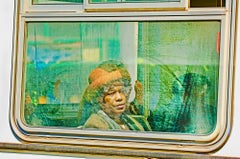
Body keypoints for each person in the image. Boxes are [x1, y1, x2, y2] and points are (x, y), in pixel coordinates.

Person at [78, 60, 151, 131]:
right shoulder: (95, 125)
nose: (119, 98)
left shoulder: (131, 121)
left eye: (122, 91)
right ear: (98, 98)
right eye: (111, 93)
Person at [148, 73, 217, 134]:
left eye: (204, 94)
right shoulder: (170, 112)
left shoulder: (212, 113)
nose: (202, 99)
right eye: (197, 95)